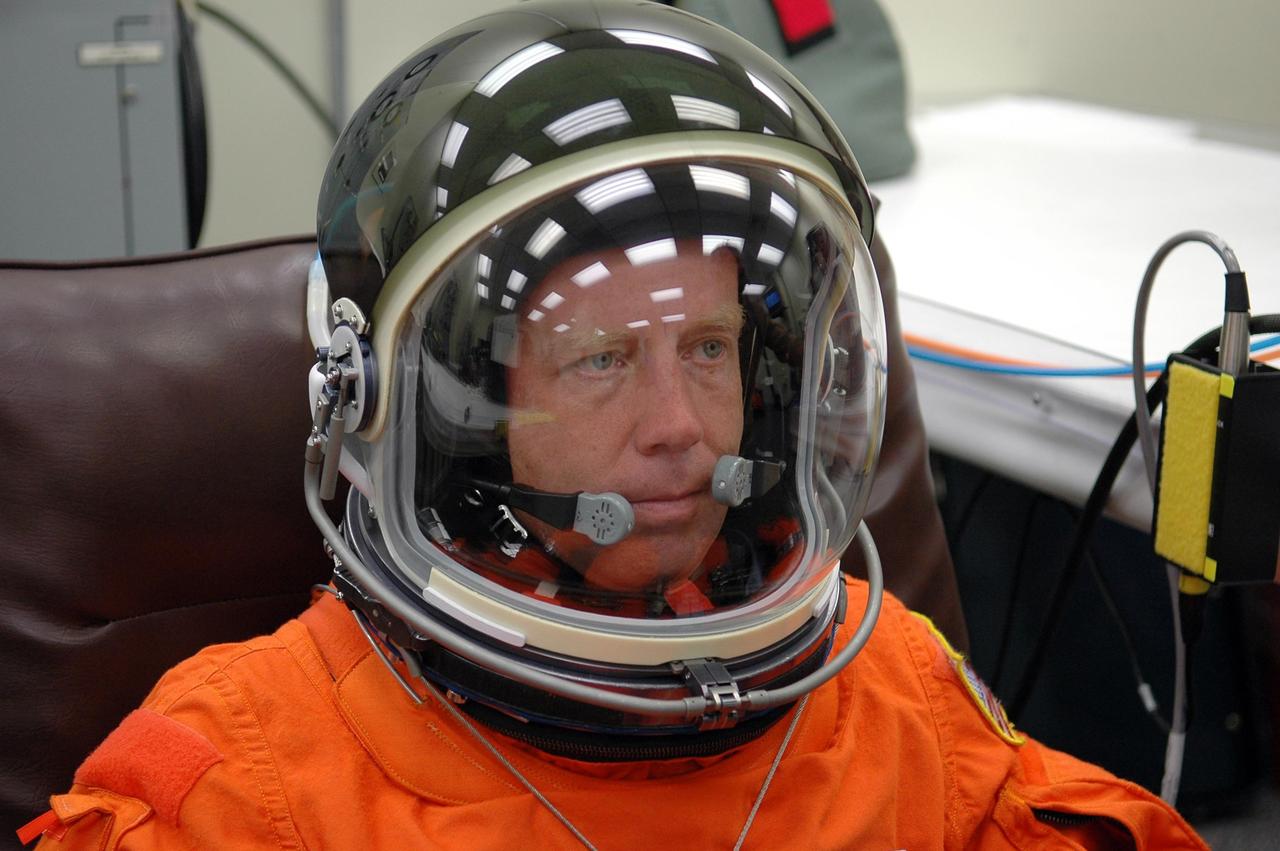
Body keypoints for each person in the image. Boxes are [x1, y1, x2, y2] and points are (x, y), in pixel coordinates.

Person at [23, 2, 1206, 848]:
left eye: (706, 349)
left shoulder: (888, 681)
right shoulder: (234, 786)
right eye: (597, 361)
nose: (679, 428)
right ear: (437, 412)